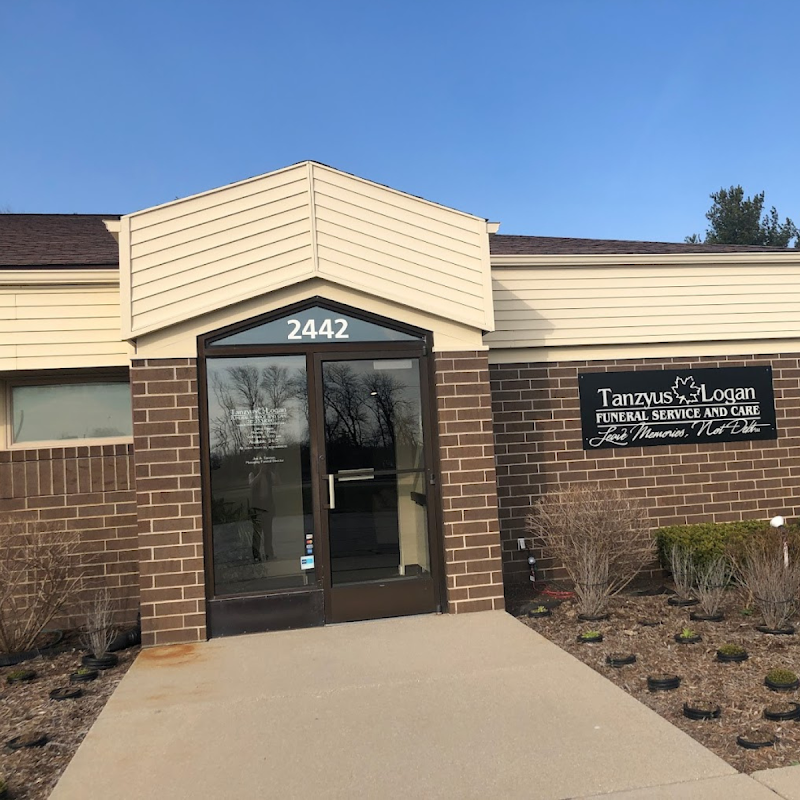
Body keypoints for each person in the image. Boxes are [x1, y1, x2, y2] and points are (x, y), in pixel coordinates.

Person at [248, 460, 275, 562]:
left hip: (268, 506)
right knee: (257, 533)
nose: (263, 465)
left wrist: (274, 470)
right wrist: (260, 473)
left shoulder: (269, 474)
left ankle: (269, 554)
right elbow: (251, 484)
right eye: (260, 463)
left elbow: (278, 482)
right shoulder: (253, 474)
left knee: (268, 532)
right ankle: (256, 555)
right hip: (257, 507)